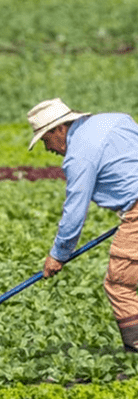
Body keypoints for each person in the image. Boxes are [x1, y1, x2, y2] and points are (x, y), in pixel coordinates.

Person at [28, 97, 138, 352]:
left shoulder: (79, 155)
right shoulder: (116, 119)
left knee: (120, 284)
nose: (48, 149)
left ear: (59, 129)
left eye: (45, 139)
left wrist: (58, 255)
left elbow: (75, 212)